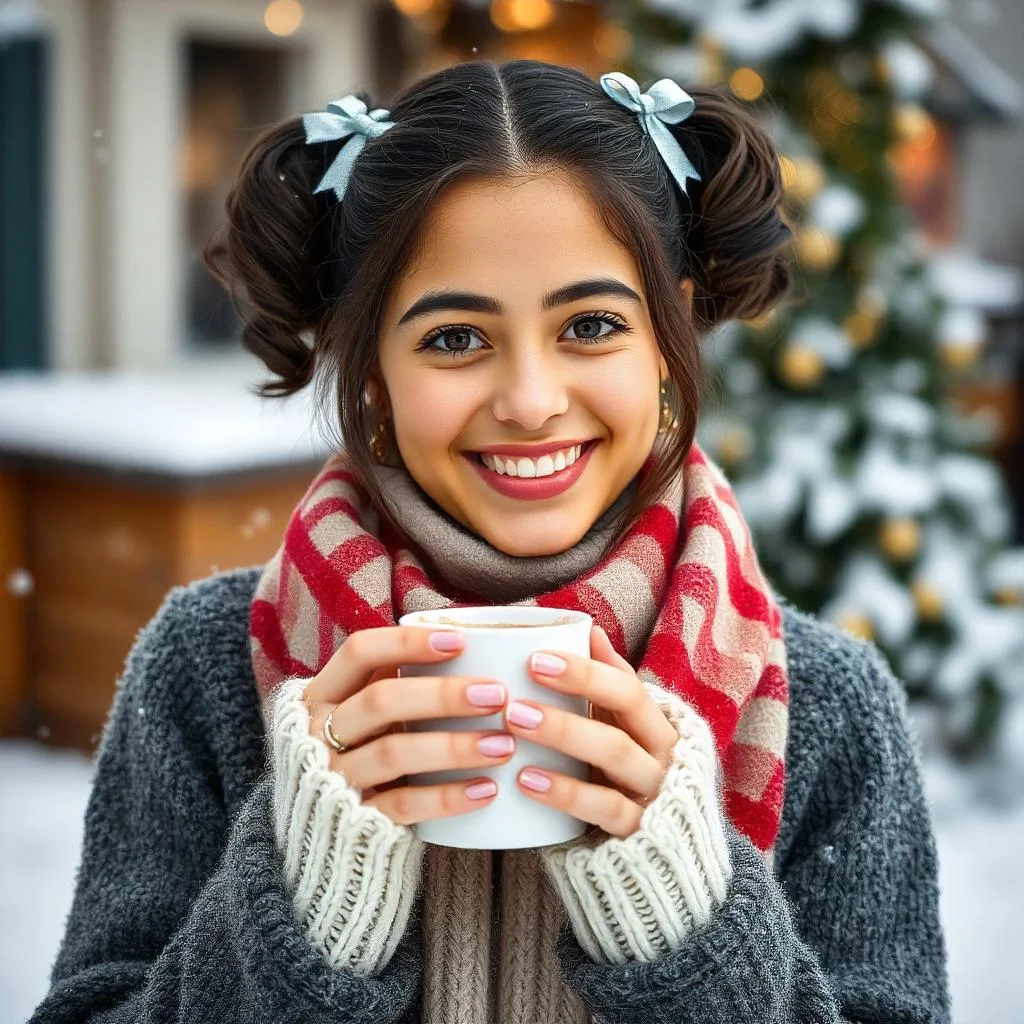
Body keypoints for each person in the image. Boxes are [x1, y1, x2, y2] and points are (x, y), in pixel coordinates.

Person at [30, 60, 950, 1024]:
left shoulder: (831, 709)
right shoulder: (206, 669)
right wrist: (309, 909)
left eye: (591, 325)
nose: (530, 402)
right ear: (368, 363)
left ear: (670, 331)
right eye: (455, 339)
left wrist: (686, 926)